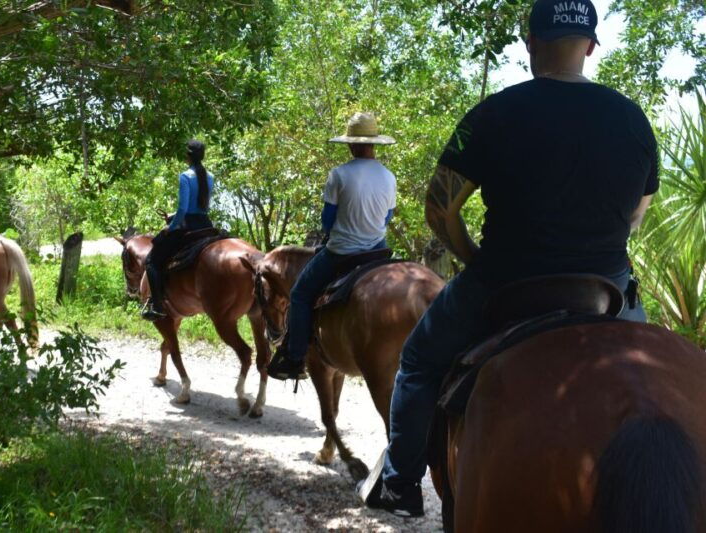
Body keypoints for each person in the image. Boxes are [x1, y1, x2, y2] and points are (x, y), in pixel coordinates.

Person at [363, 0, 659, 517]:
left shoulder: (494, 112)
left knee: (416, 363)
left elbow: (439, 209)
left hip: (504, 280)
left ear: (530, 45)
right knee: (654, 381)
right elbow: (637, 215)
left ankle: (400, 483)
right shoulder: (634, 120)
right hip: (606, 284)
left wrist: (471, 255)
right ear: (590, 46)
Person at [266, 112, 397, 380]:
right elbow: (387, 217)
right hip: (378, 250)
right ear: (374, 144)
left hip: (342, 251)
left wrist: (336, 232)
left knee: (301, 294)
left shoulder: (339, 174)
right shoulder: (388, 176)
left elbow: (328, 220)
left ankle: (294, 358)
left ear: (350, 144)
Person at [142, 139, 214, 321]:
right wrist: (175, 215)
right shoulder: (210, 176)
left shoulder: (185, 176)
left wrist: (171, 226)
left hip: (188, 225)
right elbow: (200, 207)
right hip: (205, 224)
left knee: (151, 260)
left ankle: (157, 305)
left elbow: (184, 210)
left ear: (187, 156)